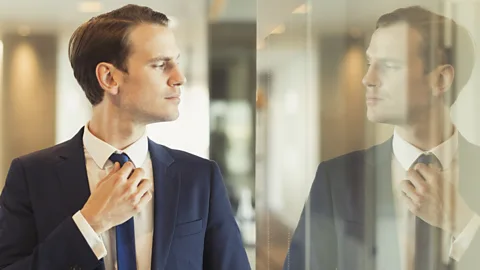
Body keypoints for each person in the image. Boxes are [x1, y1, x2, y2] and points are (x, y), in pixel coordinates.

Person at [0, 4, 250, 270]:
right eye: (160, 64)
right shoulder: (32, 175)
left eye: (176, 62)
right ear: (109, 77)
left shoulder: (200, 178)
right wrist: (90, 222)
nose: (179, 78)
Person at [284, 6, 479, 270]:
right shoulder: (335, 179)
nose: (367, 79)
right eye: (369, 64)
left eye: (388, 65)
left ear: (441, 79)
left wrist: (464, 224)